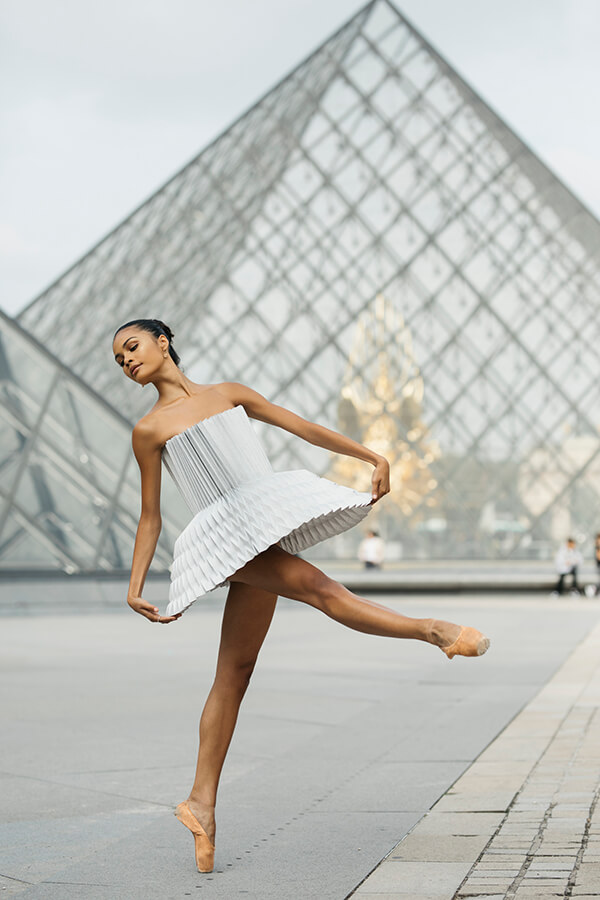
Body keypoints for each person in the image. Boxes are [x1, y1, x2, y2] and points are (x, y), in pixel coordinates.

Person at [112, 318, 491, 874]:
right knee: (319, 588)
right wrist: (134, 585)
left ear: (163, 341)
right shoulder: (148, 430)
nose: (126, 361)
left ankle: (200, 802)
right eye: (119, 359)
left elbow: (303, 427)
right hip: (229, 536)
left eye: (132, 347)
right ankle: (433, 631)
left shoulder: (231, 394)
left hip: (263, 518)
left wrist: (371, 455)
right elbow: (151, 516)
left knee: (234, 673)